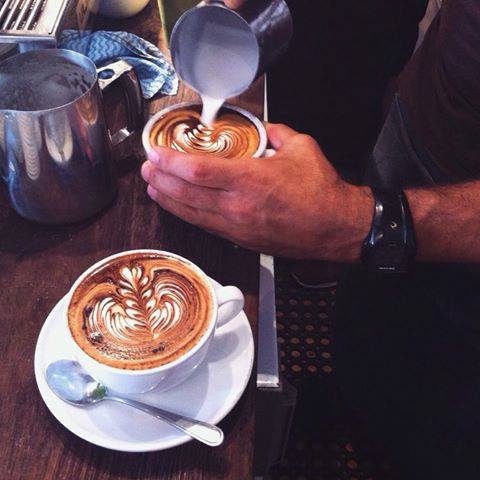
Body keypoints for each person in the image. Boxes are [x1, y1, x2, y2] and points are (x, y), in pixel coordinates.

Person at [141, 0, 480, 478]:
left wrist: (356, 221)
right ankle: (352, 402)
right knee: (370, 317)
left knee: (446, 410)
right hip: (428, 109)